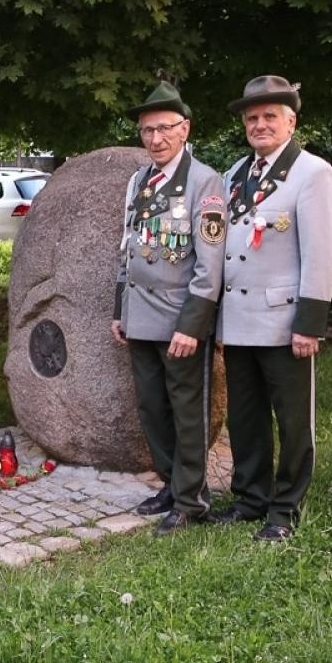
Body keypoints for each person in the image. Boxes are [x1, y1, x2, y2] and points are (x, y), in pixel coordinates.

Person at [210, 75, 332, 542]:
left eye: (269, 117)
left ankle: (284, 509)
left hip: (285, 323)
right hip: (239, 321)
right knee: (245, 418)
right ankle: (250, 498)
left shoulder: (313, 173)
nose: (260, 125)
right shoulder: (233, 175)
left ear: (291, 121)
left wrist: (309, 323)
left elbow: (321, 254)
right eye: (252, 118)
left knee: (292, 420)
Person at [111, 75, 227, 536]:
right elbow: (128, 248)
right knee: (151, 408)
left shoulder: (205, 181)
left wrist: (193, 325)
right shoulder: (139, 181)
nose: (155, 138)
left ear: (185, 130)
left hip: (180, 320)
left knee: (186, 410)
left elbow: (210, 263)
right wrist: (121, 308)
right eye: (147, 131)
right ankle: (170, 484)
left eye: (165, 128)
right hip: (140, 316)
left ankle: (192, 499)